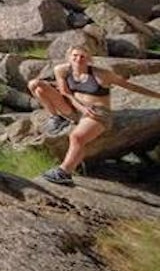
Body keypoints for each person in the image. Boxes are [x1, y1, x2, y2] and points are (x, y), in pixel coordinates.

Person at [27, 45, 160, 185]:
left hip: (98, 112)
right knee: (36, 85)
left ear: (89, 59)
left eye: (82, 56)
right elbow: (65, 92)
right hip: (74, 109)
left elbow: (131, 87)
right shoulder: (61, 70)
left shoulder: (102, 74)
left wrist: (158, 95)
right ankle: (56, 117)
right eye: (75, 56)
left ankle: (64, 172)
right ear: (69, 58)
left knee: (76, 137)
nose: (78, 59)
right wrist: (81, 107)